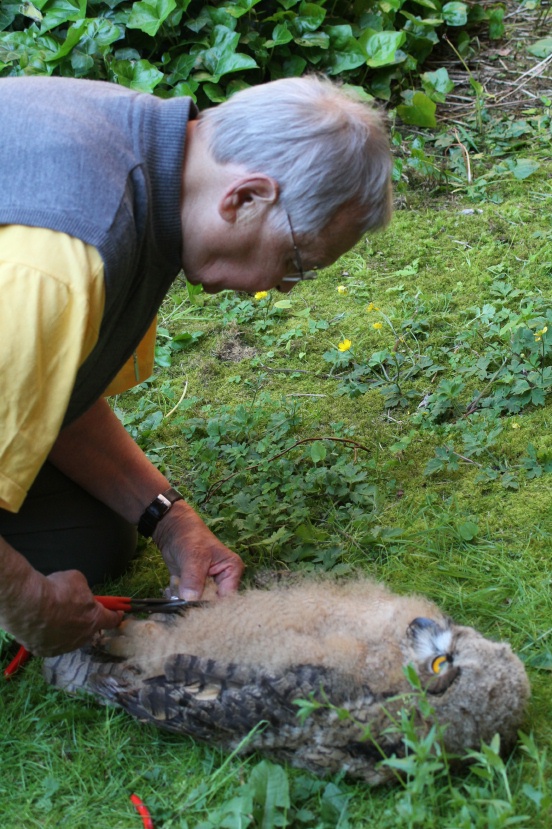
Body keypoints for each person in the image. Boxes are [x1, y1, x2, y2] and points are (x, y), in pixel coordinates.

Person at [0, 74, 392, 657]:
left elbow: (53, 392)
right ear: (245, 198)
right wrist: (29, 603)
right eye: (296, 262)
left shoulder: (155, 161)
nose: (285, 288)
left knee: (86, 540)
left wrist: (169, 519)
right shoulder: (61, 258)